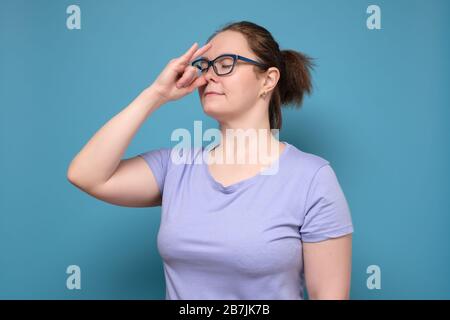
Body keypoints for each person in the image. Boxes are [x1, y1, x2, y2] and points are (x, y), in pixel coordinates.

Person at [67, 21, 354, 300]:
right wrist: (154, 95)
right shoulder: (176, 167)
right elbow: (86, 174)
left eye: (226, 63)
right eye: (205, 66)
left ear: (268, 80)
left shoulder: (311, 178)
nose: (209, 76)